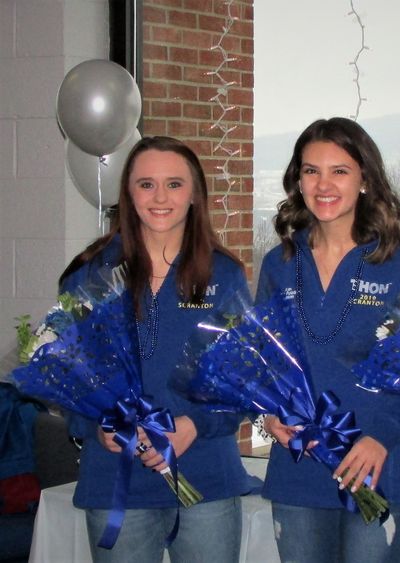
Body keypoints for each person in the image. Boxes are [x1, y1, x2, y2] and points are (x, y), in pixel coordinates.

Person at [59, 136, 251, 563]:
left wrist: (196, 423)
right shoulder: (91, 277)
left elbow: (245, 383)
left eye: (174, 184)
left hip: (205, 479)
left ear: (195, 195)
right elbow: (67, 379)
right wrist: (95, 427)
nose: (160, 197)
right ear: (127, 193)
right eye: (146, 184)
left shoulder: (225, 276)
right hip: (116, 480)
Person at [256, 117, 400, 563]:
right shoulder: (280, 263)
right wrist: (270, 415)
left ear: (365, 180)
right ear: (298, 181)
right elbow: (265, 364)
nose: (323, 184)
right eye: (311, 171)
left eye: (339, 170)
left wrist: (381, 436)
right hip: (300, 473)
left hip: (381, 466)